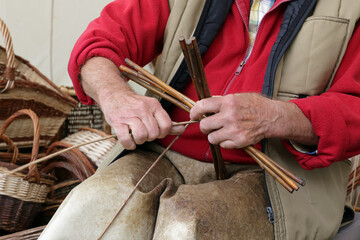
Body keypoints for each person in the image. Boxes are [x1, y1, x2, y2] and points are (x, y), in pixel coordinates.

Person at [40, 0, 360, 239]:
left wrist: (280, 117)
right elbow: (99, 43)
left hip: (274, 176)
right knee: (91, 203)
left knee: (188, 224)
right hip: (164, 151)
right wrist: (116, 97)